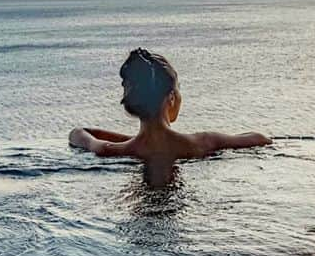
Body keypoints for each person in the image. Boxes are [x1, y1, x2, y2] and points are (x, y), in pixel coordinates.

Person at [69, 48, 271, 170]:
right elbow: (260, 139)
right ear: (172, 98)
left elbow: (77, 134)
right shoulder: (204, 142)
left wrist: (130, 141)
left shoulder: (111, 151)